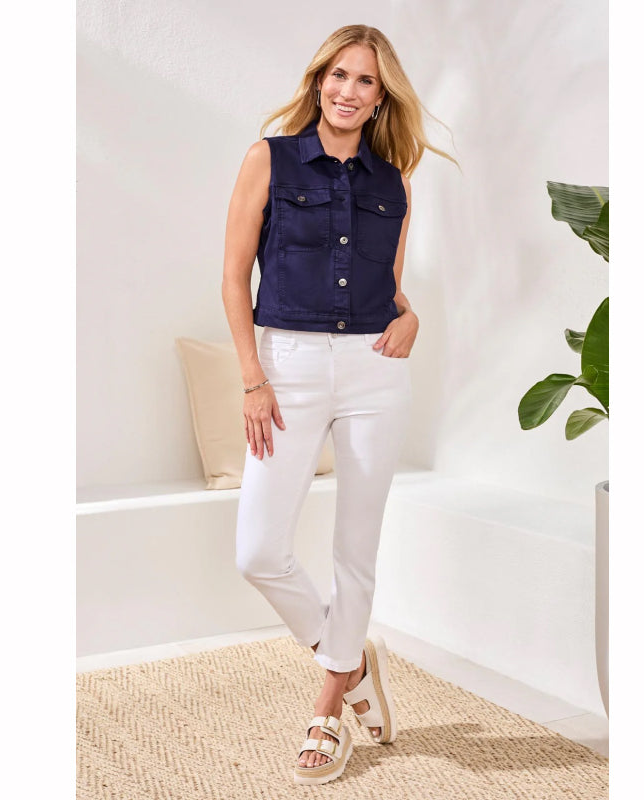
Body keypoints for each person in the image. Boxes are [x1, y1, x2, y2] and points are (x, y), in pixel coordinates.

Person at [221, 24, 455, 785]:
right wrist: (252, 378)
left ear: (381, 97)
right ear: (318, 80)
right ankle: (350, 664)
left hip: (374, 369)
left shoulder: (396, 180)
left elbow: (391, 284)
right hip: (285, 367)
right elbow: (233, 277)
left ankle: (327, 709)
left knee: (356, 546)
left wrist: (411, 317)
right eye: (339, 75)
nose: (348, 91)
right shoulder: (269, 158)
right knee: (258, 552)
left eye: (366, 81)